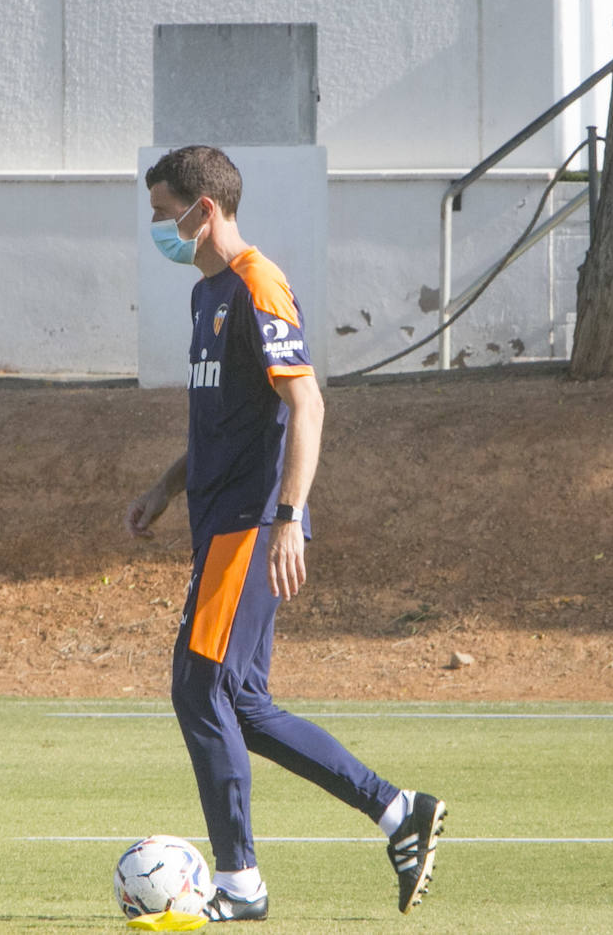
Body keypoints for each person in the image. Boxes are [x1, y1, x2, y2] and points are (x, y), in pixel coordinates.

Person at [124, 146, 446, 922]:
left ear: (205, 210)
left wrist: (289, 517)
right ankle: (399, 811)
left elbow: (307, 406)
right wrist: (168, 485)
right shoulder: (207, 295)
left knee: (199, 689)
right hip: (217, 522)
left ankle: (238, 884)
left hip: (249, 525)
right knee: (241, 700)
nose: (159, 229)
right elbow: (227, 417)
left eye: (166, 213)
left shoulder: (257, 283)